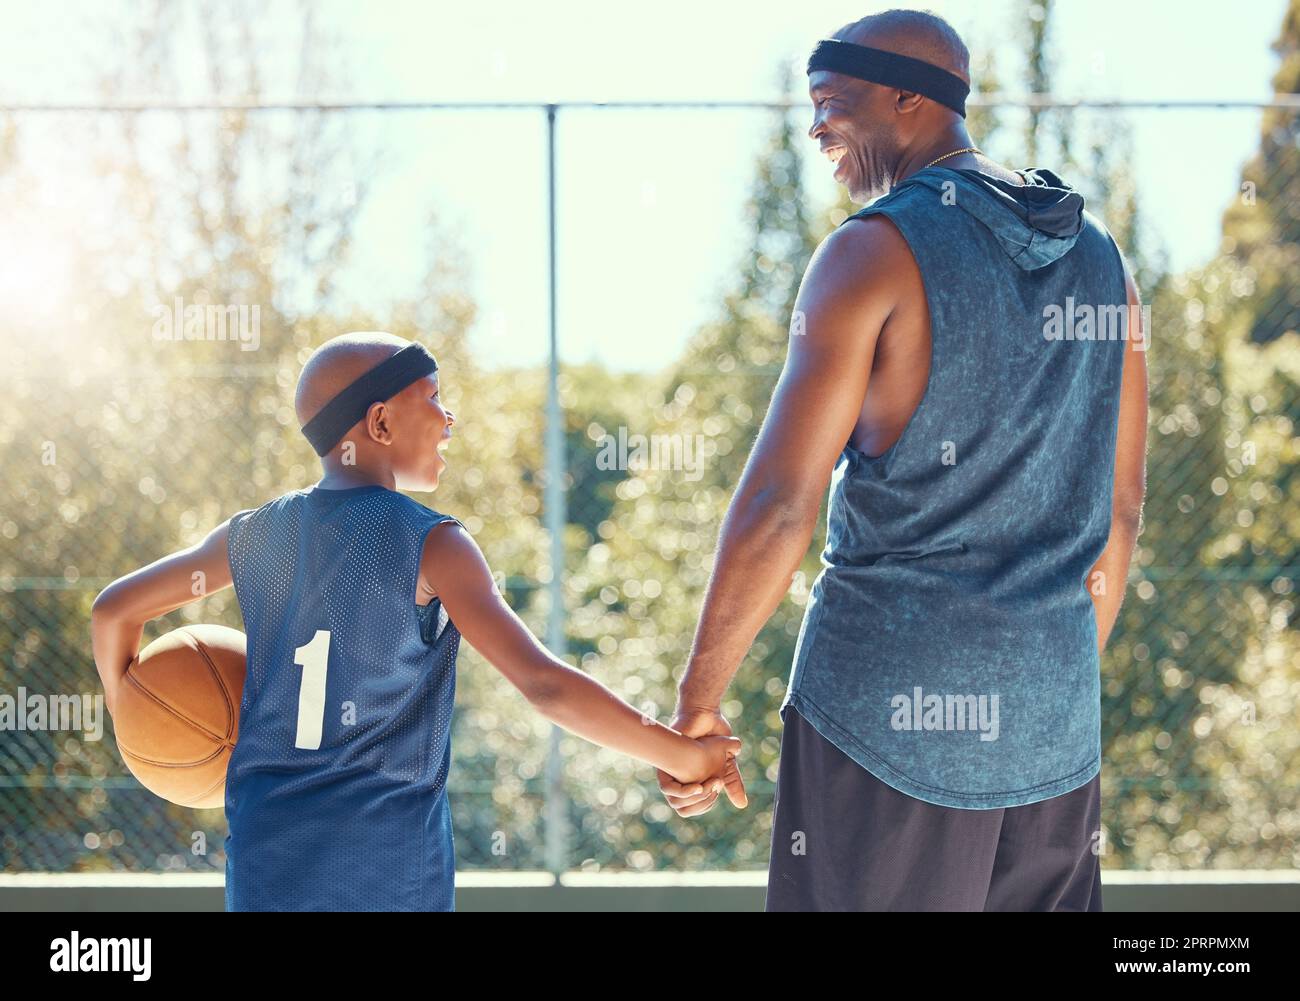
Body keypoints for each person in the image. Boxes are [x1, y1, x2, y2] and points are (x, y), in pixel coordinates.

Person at [657, 9, 1149, 912]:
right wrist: (1042, 678)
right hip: (1053, 731)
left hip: (882, 721)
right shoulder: (1104, 267)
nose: (815, 129)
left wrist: (697, 703)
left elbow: (779, 503)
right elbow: (1119, 514)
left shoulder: (870, 253)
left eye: (830, 101)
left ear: (909, 98)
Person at [91, 330, 739, 911]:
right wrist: (681, 752)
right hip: (385, 874)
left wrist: (143, 715)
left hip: (267, 867)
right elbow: (542, 683)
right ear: (378, 421)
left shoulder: (254, 537)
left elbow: (115, 609)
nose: (448, 415)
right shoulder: (433, 545)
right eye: (431, 396)